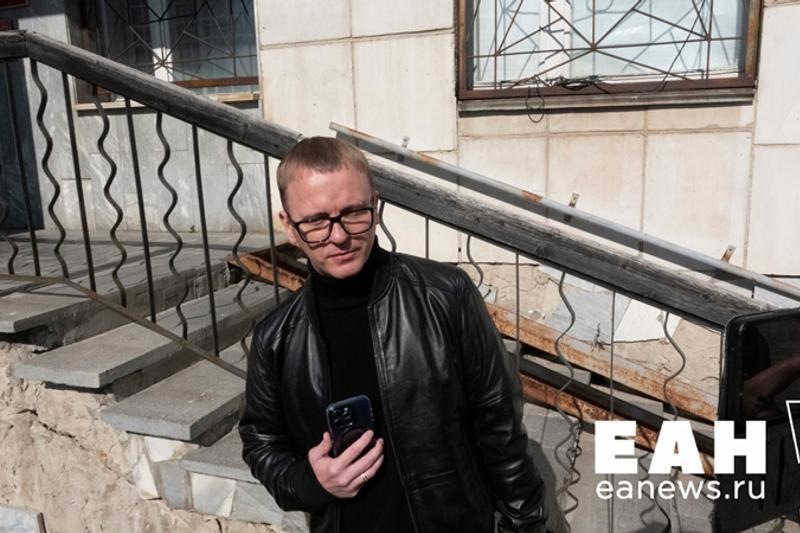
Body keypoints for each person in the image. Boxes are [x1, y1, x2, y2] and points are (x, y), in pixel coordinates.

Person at [239, 136, 549, 533]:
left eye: (354, 213)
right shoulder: (275, 338)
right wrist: (310, 482)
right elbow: (261, 442)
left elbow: (500, 426)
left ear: (376, 205)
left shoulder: (445, 295)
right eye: (316, 221)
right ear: (290, 226)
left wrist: (525, 525)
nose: (339, 236)